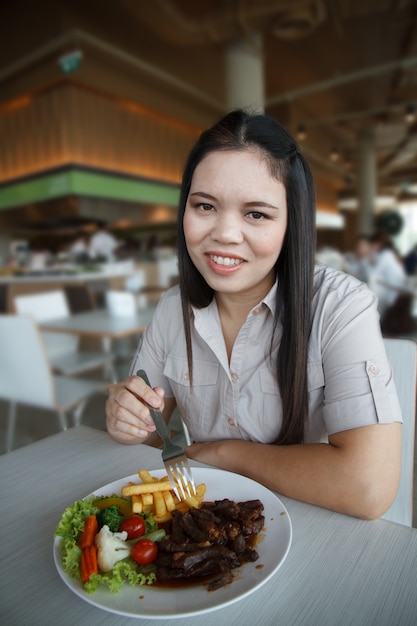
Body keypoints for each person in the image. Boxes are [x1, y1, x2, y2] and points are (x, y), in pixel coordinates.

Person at [106, 110, 402, 520]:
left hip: (312, 523)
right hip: (209, 521)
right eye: (205, 205)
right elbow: (153, 441)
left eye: (256, 214)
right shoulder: (173, 309)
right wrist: (128, 420)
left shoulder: (341, 307)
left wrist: (223, 453)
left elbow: (367, 488)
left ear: (291, 223)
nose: (225, 233)